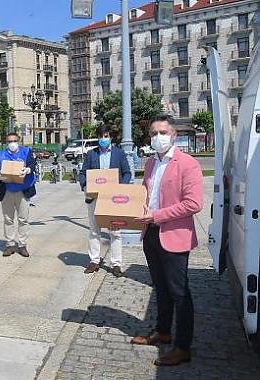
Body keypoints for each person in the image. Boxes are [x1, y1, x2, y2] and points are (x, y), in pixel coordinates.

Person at [130, 115, 203, 366]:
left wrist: (157, 215)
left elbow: (194, 203)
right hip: (150, 233)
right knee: (160, 288)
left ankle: (182, 347)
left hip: (174, 235)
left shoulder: (188, 164)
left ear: (173, 135)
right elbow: (144, 195)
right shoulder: (151, 163)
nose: (157, 137)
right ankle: (162, 331)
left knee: (179, 292)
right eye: (153, 133)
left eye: (162, 132)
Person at [79, 126, 132, 277]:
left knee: (115, 232)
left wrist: (121, 186)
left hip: (113, 199)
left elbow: (127, 172)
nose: (104, 138)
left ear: (110, 137)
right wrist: (85, 186)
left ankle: (116, 263)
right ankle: (94, 261)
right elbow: (83, 173)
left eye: (106, 135)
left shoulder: (119, 153)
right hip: (95, 198)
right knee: (94, 230)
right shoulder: (91, 154)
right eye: (101, 136)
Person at [0, 133, 37, 257]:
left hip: (23, 190)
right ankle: (10, 245)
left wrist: (28, 170)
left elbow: (32, 165)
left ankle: (22, 245)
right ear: (6, 143)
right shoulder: (0, 155)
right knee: (8, 219)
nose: (12, 143)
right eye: (9, 141)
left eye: (14, 140)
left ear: (18, 141)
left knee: (23, 219)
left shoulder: (26, 152)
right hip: (6, 191)